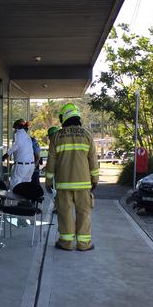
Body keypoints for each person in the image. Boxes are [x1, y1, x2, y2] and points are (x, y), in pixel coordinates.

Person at [45, 103, 99, 251]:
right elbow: (93, 161)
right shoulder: (87, 135)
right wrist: (95, 180)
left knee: (65, 214)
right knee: (84, 214)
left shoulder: (57, 136)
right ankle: (83, 244)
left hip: (63, 184)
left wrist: (48, 181)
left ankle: (66, 243)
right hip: (83, 184)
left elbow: (51, 161)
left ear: (65, 117)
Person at [2, 119, 35, 189]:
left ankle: (14, 200)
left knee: (14, 187)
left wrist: (6, 155)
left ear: (17, 127)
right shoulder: (27, 136)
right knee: (26, 187)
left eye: (14, 128)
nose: (14, 130)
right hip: (30, 166)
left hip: (22, 166)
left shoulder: (19, 133)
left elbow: (17, 145)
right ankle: (24, 200)